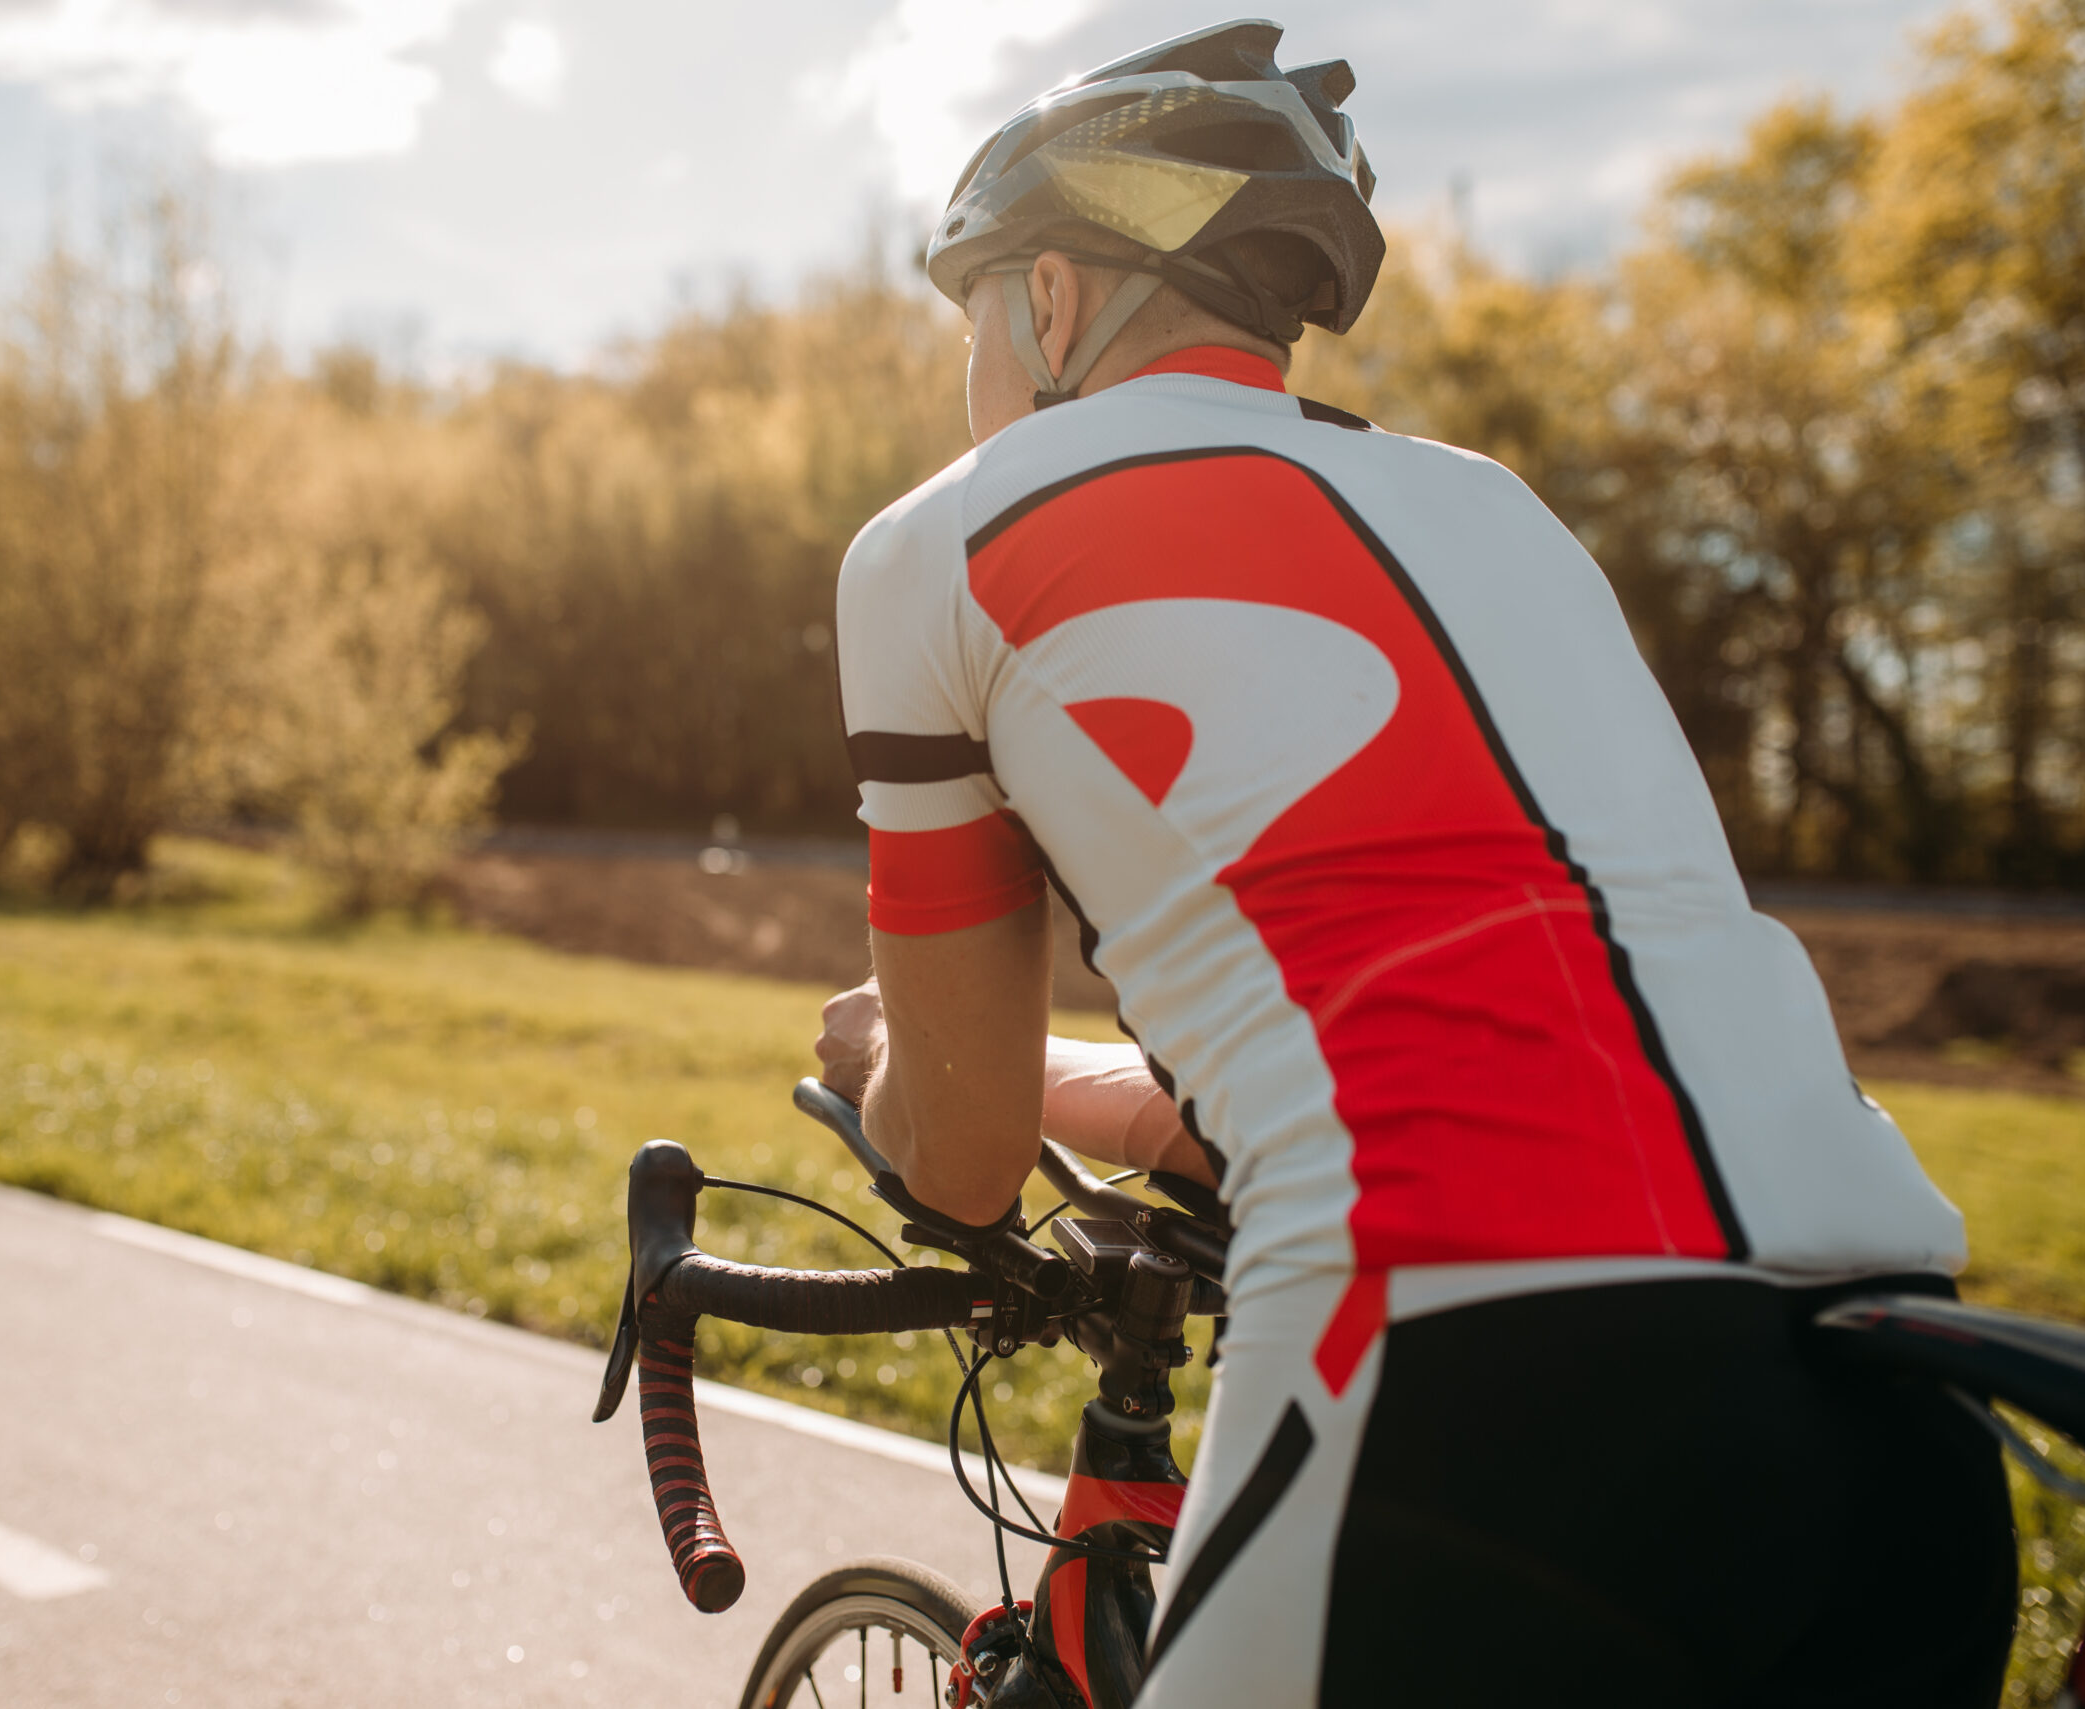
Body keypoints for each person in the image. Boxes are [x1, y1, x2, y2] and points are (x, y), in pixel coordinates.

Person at [810, 19, 2017, 1708]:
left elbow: (959, 1158)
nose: (969, 373)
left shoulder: (939, 544)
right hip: (1894, 1405)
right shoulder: (1500, 515)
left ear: (1054, 300)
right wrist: (1092, 1085)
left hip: (1479, 1386)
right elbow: (1468, 1006)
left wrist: (883, 1059)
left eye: (970, 318)